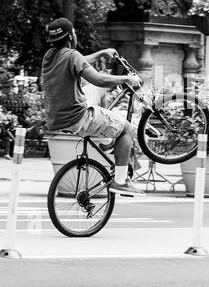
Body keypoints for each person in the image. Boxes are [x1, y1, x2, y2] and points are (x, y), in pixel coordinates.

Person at [39, 17, 143, 196]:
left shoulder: (50, 56)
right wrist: (127, 79)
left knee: (96, 92)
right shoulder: (72, 56)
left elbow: (81, 61)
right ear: (71, 36)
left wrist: (102, 53)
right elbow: (100, 80)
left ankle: (106, 140)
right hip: (78, 117)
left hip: (57, 118)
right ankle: (120, 181)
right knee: (127, 129)